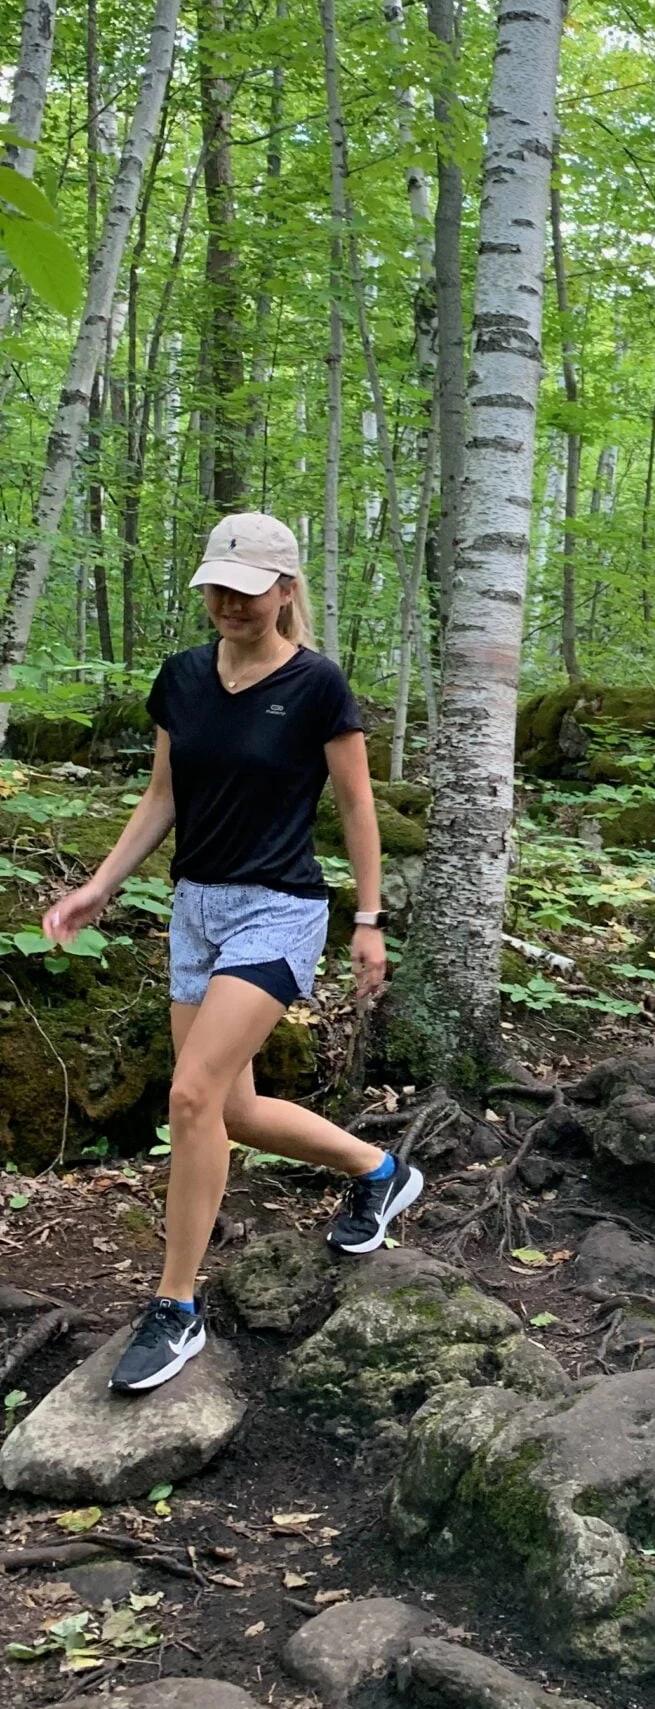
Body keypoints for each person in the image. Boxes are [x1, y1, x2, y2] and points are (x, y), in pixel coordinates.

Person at [42, 512, 421, 1394]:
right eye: (217, 588)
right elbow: (162, 796)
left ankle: (176, 1306)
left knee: (190, 1094)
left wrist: (368, 918)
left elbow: (358, 807)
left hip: (279, 909)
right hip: (196, 908)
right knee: (233, 1111)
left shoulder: (317, 684)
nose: (228, 604)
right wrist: (100, 885)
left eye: (247, 592)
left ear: (285, 590)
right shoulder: (181, 678)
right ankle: (381, 1170)